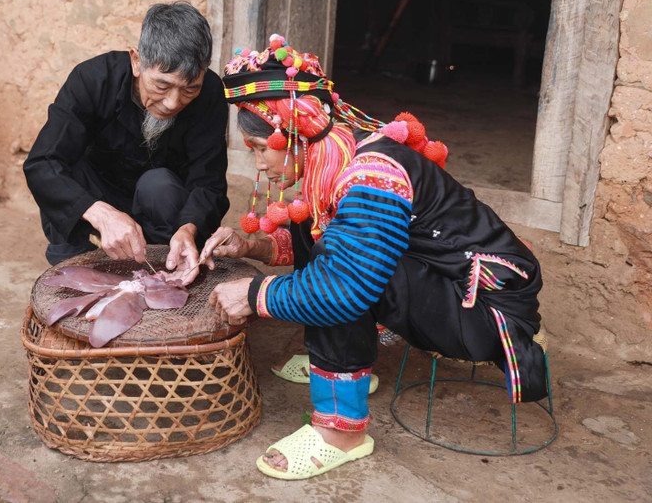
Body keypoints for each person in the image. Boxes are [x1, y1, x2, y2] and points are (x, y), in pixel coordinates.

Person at [201, 35, 547, 480]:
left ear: (293, 132)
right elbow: (324, 239)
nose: (260, 165)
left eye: (260, 148)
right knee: (321, 232)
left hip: (485, 311)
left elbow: (343, 287)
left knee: (340, 280)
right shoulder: (338, 153)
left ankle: (340, 433)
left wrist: (253, 294)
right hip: (446, 284)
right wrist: (253, 247)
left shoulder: (370, 175)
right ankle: (346, 365)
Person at [24, 2, 230, 274]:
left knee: (158, 184)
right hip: (98, 198)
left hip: (163, 212)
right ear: (136, 61)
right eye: (162, 85)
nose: (173, 102)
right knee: (66, 168)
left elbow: (209, 183)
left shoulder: (210, 93)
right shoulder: (93, 80)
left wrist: (188, 228)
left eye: (189, 90)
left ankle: (166, 260)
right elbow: (42, 163)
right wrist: (101, 214)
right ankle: (75, 258)